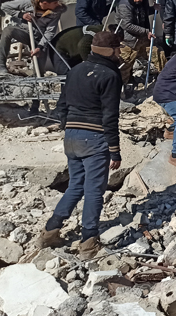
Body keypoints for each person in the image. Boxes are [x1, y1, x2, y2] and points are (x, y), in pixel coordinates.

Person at [36, 32, 123, 258]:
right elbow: (110, 115)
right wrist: (115, 149)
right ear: (110, 51)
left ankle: (49, 232)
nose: (121, 52)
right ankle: (88, 242)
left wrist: (69, 127)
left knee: (75, 185)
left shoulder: (74, 70)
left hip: (72, 137)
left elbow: (61, 106)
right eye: (118, 49)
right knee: (94, 190)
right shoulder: (110, 74)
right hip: (94, 137)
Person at [0, 0, 66, 75]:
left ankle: (35, 78)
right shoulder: (28, 3)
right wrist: (21, 15)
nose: (58, 4)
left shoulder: (56, 12)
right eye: (55, 2)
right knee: (8, 31)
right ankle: (1, 66)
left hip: (39, 38)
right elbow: (5, 6)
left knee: (38, 72)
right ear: (45, 3)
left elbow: (50, 32)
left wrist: (40, 47)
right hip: (24, 32)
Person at [116, 0, 164, 92]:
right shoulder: (125, 5)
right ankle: (121, 90)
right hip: (128, 41)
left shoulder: (144, 0)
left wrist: (153, 9)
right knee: (125, 66)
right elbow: (127, 25)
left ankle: (164, 80)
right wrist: (146, 31)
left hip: (143, 39)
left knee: (158, 54)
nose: (138, 0)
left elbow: (143, 13)